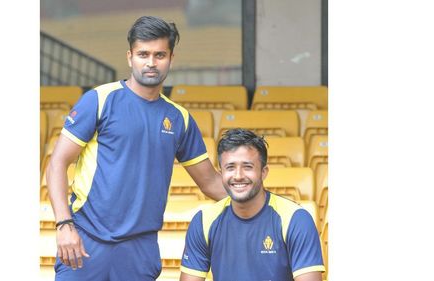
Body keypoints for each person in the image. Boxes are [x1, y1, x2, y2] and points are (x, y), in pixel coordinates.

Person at [46, 16, 227, 281]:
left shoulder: (179, 119)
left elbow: (211, 182)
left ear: (171, 58)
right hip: (86, 241)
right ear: (130, 57)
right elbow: (57, 164)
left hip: (140, 249)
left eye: (159, 55)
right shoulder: (99, 100)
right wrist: (64, 225)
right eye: (143, 54)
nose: (151, 62)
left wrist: (267, 205)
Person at [180, 128, 325, 281]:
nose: (238, 176)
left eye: (247, 167)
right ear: (221, 172)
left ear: (264, 172)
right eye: (230, 167)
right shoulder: (204, 221)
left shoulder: (295, 220)